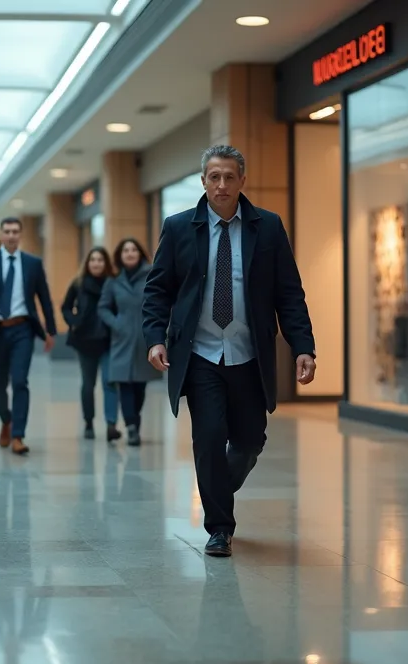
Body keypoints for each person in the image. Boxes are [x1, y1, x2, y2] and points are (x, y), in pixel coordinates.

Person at [142, 144, 316, 557]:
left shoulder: (267, 227)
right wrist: (155, 337)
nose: (222, 184)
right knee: (208, 438)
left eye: (229, 177)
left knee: (250, 440)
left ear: (242, 181)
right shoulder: (179, 227)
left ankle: (217, 485)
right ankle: (220, 528)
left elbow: (289, 293)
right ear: (203, 181)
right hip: (200, 354)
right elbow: (158, 290)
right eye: (214, 177)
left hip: (249, 354)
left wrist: (303, 346)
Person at [0, 216, 56, 455]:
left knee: (20, 381)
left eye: (15, 231)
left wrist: (50, 330)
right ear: (1, 234)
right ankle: (6, 420)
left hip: (23, 330)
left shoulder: (32, 263)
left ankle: (18, 435)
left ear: (20, 235)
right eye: (7, 231)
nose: (11, 235)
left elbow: (44, 298)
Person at [99, 238, 161, 447]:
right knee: (123, 383)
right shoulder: (113, 280)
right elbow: (103, 307)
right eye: (126, 250)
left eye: (134, 249)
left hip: (144, 338)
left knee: (140, 386)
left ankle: (135, 421)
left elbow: (161, 301)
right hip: (122, 339)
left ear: (140, 253)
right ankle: (132, 427)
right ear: (120, 255)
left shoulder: (151, 275)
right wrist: (116, 323)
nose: (130, 253)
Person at [60, 246, 118, 441]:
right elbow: (66, 307)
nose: (96, 263)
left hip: (108, 340)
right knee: (88, 384)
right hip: (85, 341)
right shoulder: (78, 283)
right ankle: (88, 422)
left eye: (100, 260)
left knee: (110, 381)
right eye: (93, 260)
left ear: (105, 263)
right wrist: (74, 322)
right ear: (87, 263)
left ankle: (111, 425)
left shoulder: (113, 283)